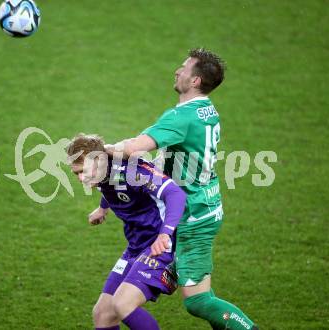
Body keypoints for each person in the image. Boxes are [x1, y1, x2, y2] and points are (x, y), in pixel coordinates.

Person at [105, 48, 258, 329]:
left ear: (196, 81)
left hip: (195, 216)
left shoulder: (181, 118)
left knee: (198, 301)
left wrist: (101, 149)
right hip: (205, 205)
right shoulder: (207, 110)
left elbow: (134, 149)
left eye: (184, 68)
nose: (177, 71)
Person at [66, 134, 186, 330]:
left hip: (161, 245)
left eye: (82, 171)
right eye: (76, 174)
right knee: (103, 314)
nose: (80, 178)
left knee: (122, 304)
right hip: (136, 246)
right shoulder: (100, 173)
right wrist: (103, 208)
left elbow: (175, 194)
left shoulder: (132, 171)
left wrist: (165, 234)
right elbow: (110, 188)